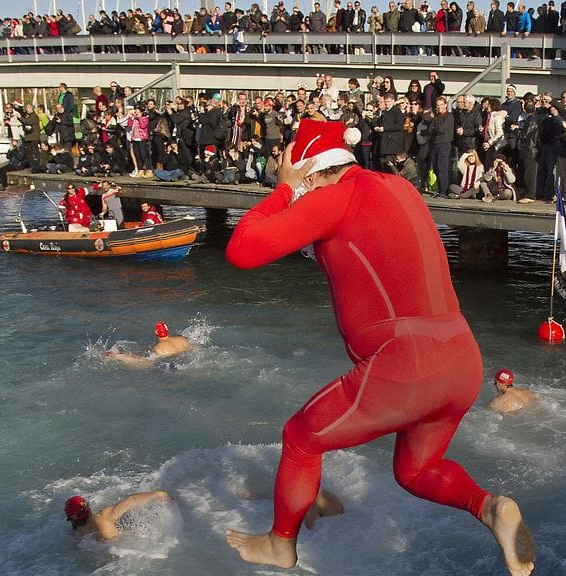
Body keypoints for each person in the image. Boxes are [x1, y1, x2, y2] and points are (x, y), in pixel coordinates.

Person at [223, 120, 535, 574]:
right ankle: (489, 507)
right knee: (415, 470)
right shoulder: (397, 186)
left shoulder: (334, 196)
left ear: (310, 172)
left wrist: (284, 191)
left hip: (404, 362)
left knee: (301, 439)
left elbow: (243, 249)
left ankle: (279, 544)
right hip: (460, 357)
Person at [64, 491, 173, 540]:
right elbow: (132, 500)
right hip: (125, 549)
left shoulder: (77, 533)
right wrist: (159, 494)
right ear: (86, 509)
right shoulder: (102, 516)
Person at [105, 321, 192, 368]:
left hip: (167, 363)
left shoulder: (158, 348)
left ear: (156, 333)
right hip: (185, 359)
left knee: (145, 362)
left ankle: (117, 356)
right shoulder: (182, 339)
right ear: (167, 331)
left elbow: (151, 360)